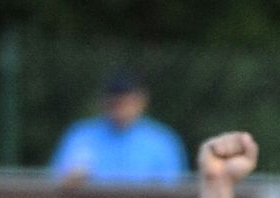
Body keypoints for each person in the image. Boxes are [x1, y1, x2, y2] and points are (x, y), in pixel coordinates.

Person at [51, 70, 188, 185]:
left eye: (126, 102)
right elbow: (54, 183)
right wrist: (69, 181)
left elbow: (174, 191)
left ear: (141, 101)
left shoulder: (161, 141)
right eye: (114, 102)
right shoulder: (81, 136)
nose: (119, 108)